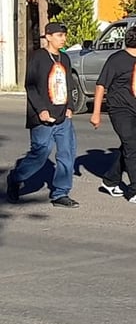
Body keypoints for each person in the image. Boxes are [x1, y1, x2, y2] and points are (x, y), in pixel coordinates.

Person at [6, 22, 79, 208]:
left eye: (64, 35)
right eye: (59, 35)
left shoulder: (65, 58)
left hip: (63, 116)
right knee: (40, 154)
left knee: (66, 154)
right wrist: (41, 110)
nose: (63, 39)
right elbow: (30, 86)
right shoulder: (38, 57)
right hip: (42, 118)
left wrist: (70, 106)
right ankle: (15, 178)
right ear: (48, 36)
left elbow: (69, 84)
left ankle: (60, 193)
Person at [91, 25, 136, 204]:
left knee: (127, 147)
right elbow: (101, 85)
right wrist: (96, 113)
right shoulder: (116, 60)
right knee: (132, 147)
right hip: (120, 110)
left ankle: (110, 180)